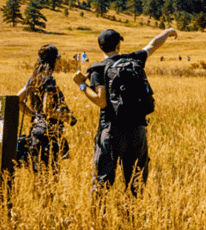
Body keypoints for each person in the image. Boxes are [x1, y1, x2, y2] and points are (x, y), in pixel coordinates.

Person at [72, 25, 178, 193]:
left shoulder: (97, 68)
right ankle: (132, 214)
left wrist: (82, 85)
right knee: (136, 180)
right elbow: (153, 44)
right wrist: (168, 31)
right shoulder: (134, 59)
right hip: (137, 128)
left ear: (100, 46)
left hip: (112, 129)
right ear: (118, 45)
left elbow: (101, 101)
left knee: (103, 181)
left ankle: (101, 217)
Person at [17, 43, 76, 172]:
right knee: (49, 177)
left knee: (40, 177)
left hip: (35, 132)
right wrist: (69, 118)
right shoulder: (49, 80)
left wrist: (33, 115)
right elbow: (48, 110)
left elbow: (17, 100)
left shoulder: (34, 79)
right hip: (48, 135)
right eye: (58, 57)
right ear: (53, 60)